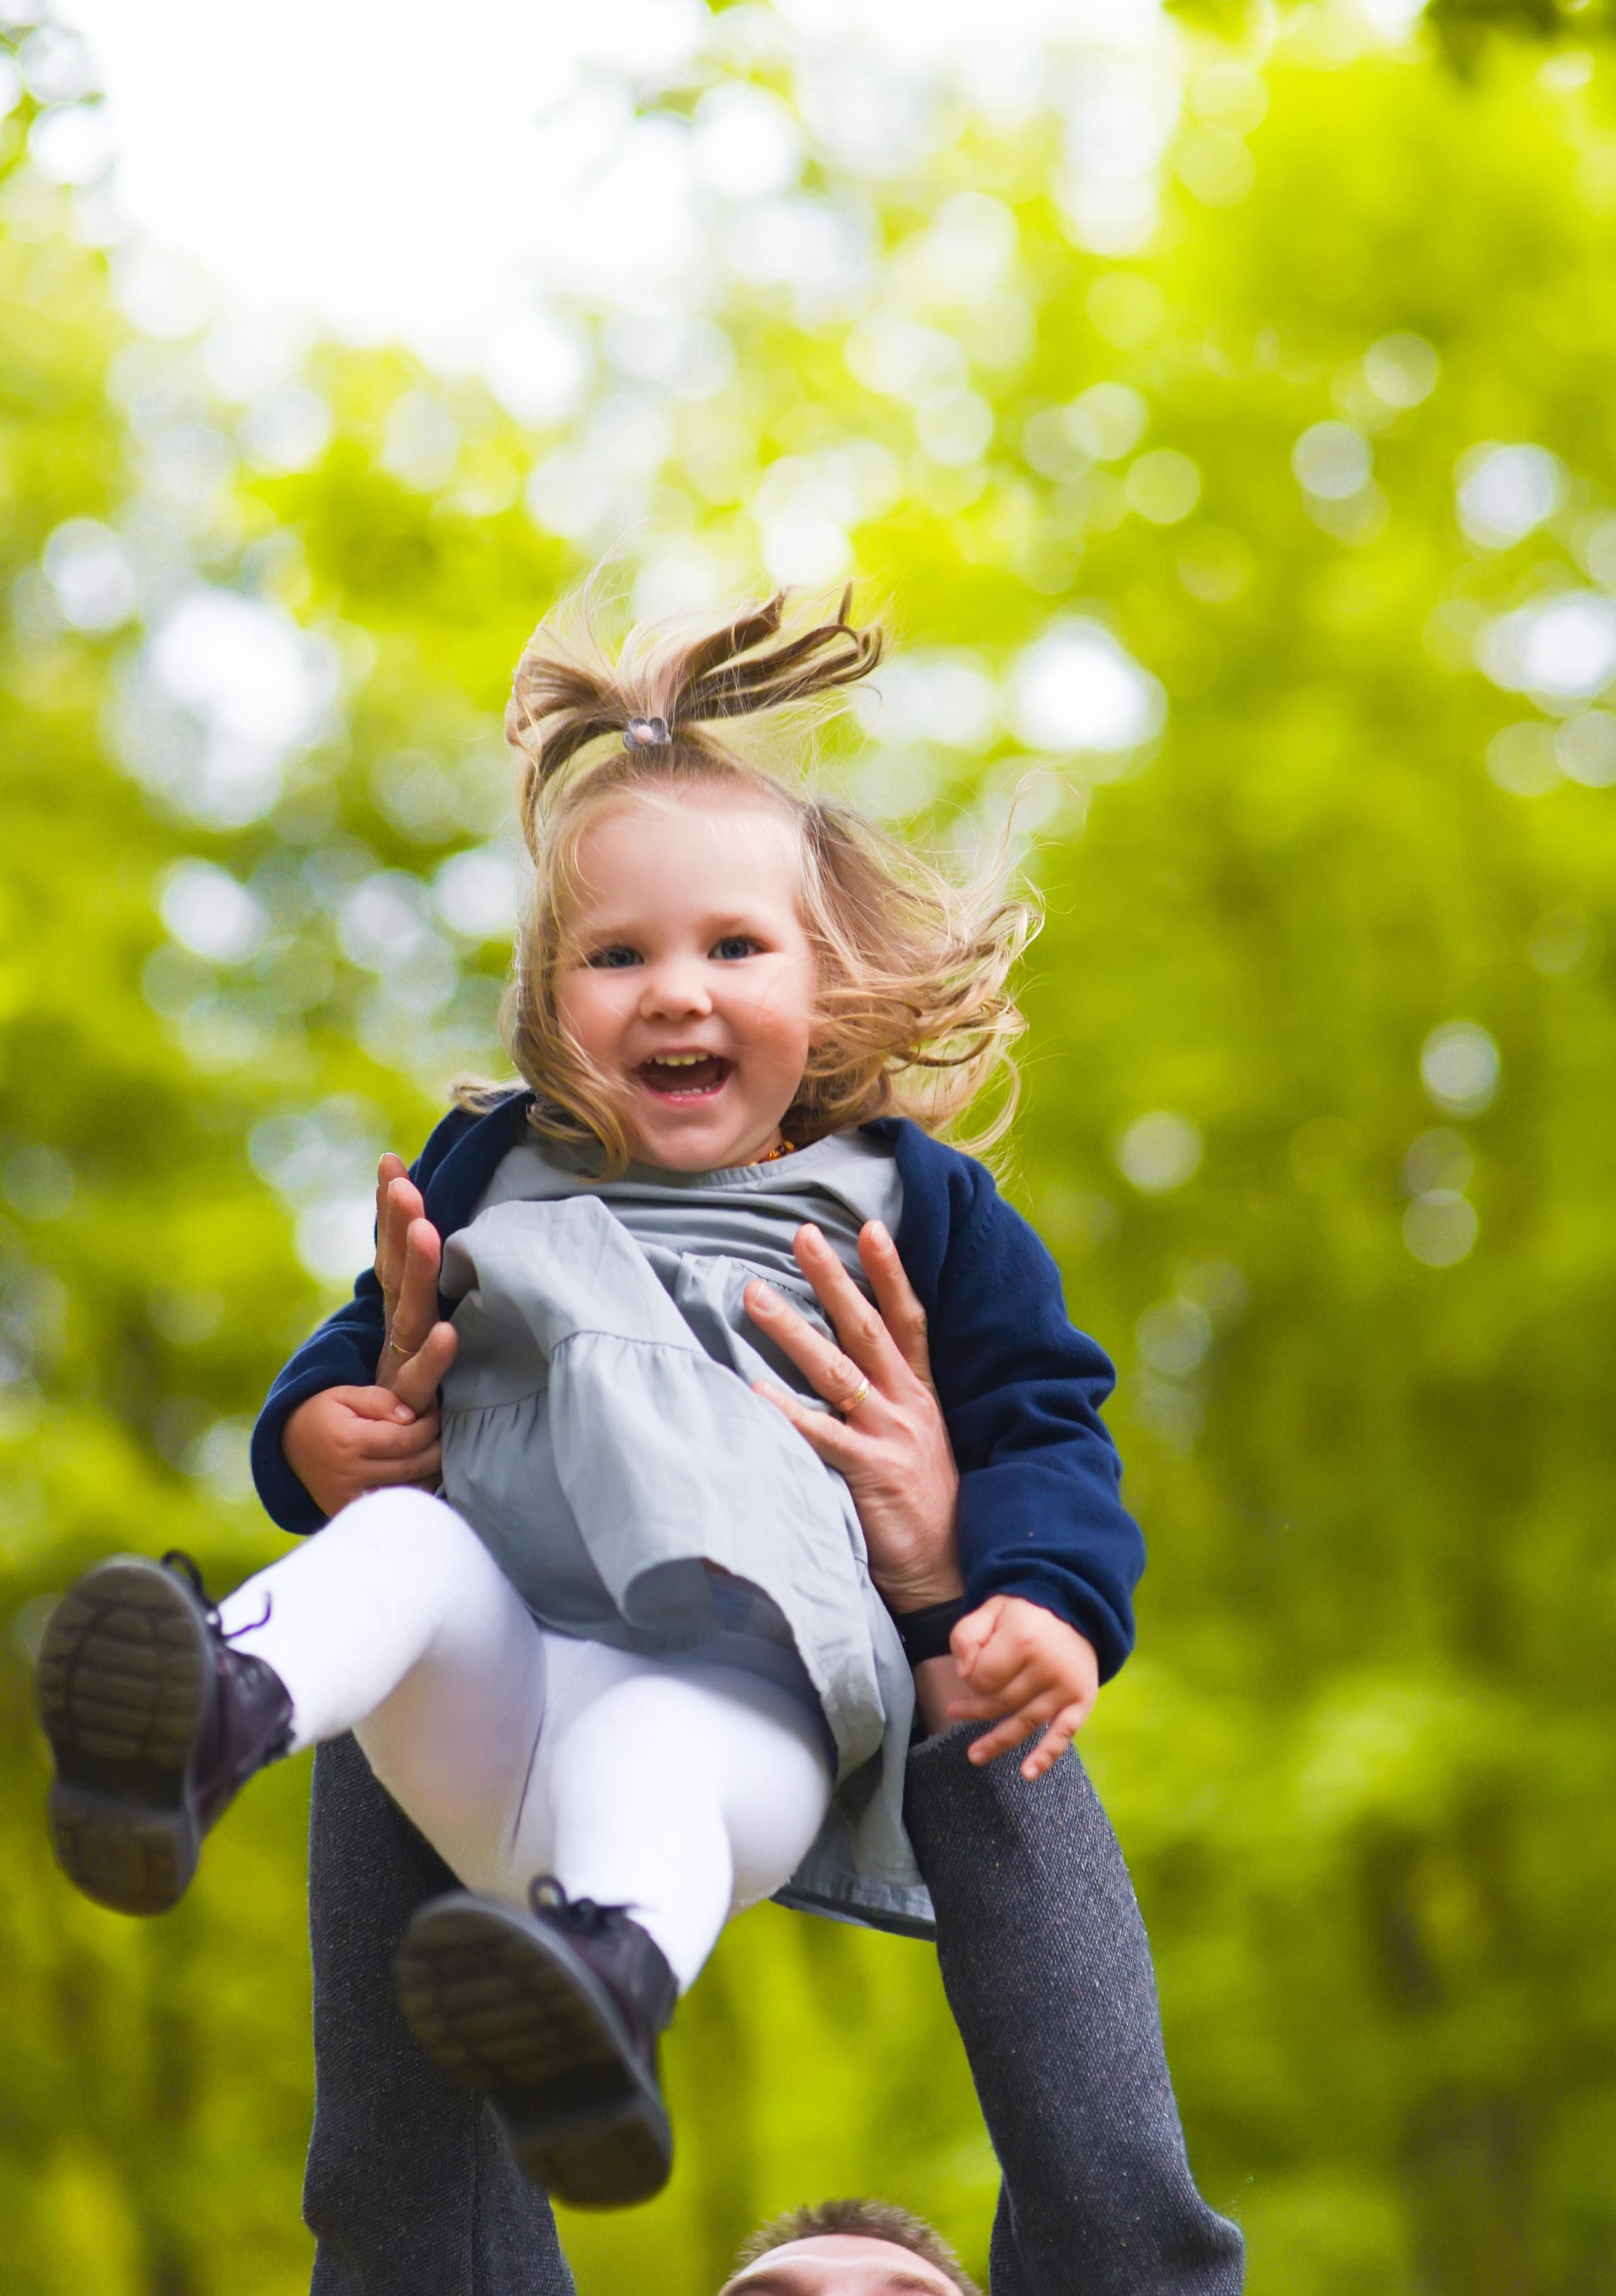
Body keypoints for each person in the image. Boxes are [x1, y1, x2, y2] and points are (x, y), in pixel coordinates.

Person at [35, 588, 1146, 2216]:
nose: (673, 992)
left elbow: (1048, 1416)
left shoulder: (907, 1206)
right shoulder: (495, 1164)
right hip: (492, 1703)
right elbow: (357, 1343)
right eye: (615, 956)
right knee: (406, 1551)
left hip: (739, 1707)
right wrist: (315, 1436)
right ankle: (203, 1717)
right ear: (556, 1006)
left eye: (732, 948)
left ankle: (595, 1992)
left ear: (826, 982)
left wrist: (1047, 1601)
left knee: (651, 1743)